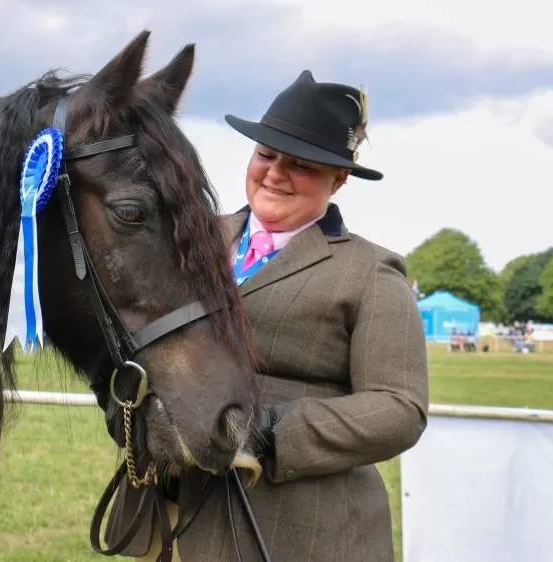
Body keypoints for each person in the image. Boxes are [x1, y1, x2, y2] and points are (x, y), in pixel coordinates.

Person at [103, 70, 430, 561]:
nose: (275, 173)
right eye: (267, 155)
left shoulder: (372, 274)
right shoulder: (186, 239)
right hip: (166, 518)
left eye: (300, 164)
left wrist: (267, 432)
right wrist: (128, 410)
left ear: (338, 179)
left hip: (293, 530)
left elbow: (400, 408)